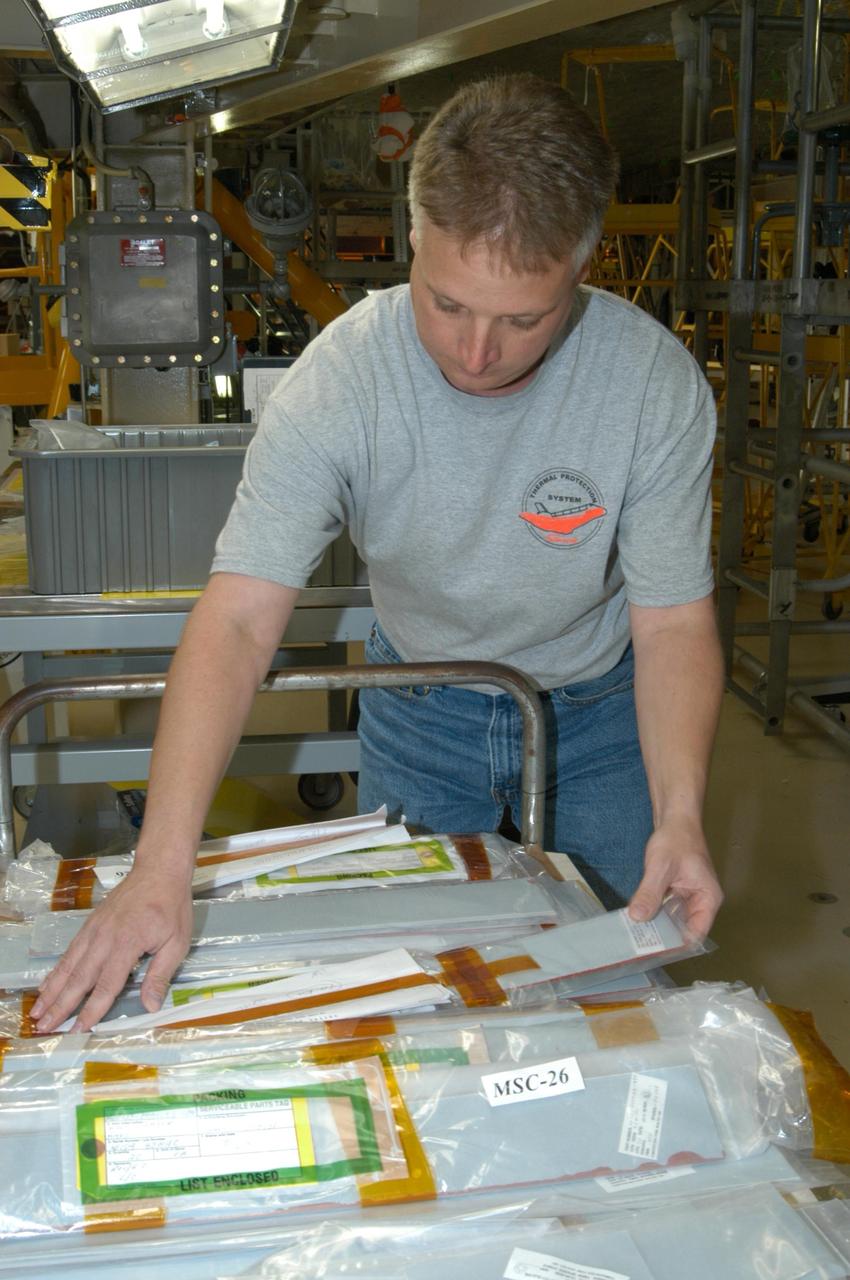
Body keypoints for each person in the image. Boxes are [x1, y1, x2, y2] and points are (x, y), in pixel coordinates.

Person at [32, 73, 724, 1035]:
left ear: (582, 264)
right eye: (447, 304)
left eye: (523, 319)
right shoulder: (343, 381)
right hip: (421, 712)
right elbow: (237, 619)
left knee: (612, 997)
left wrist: (680, 815)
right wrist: (162, 866)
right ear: (413, 240)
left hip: (602, 721)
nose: (477, 352)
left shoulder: (652, 385)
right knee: (428, 1003)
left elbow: (675, 620)